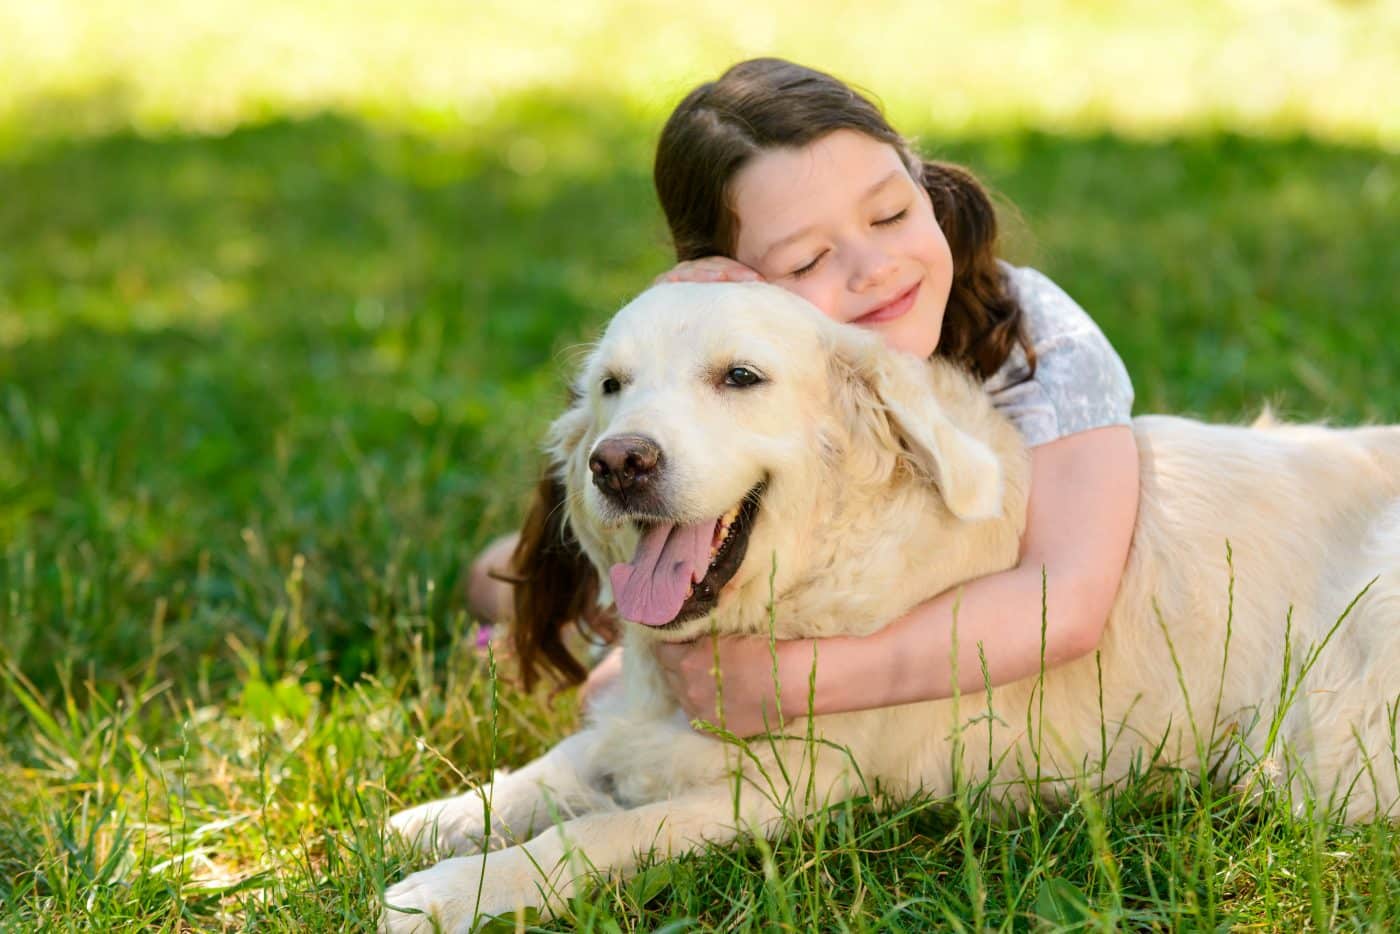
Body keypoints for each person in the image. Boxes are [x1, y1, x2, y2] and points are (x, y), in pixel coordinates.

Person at [472, 57, 1139, 738]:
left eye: (891, 213)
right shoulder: (744, 360)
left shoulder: (1046, 346)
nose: (876, 268)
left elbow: (1068, 601)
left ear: (921, 181)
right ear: (735, 283)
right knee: (529, 590)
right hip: (718, 539)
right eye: (807, 261)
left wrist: (798, 681)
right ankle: (523, 584)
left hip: (891, 589)